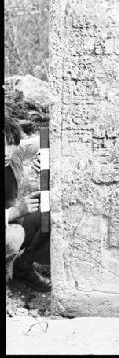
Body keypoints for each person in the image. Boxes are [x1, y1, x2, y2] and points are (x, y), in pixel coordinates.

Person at [4, 116, 50, 291]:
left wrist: (46, 155)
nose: (7, 152)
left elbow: (53, 138)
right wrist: (15, 212)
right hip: (11, 228)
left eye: (10, 144)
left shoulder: (14, 154)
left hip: (13, 223)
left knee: (48, 206)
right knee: (12, 238)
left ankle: (22, 267)